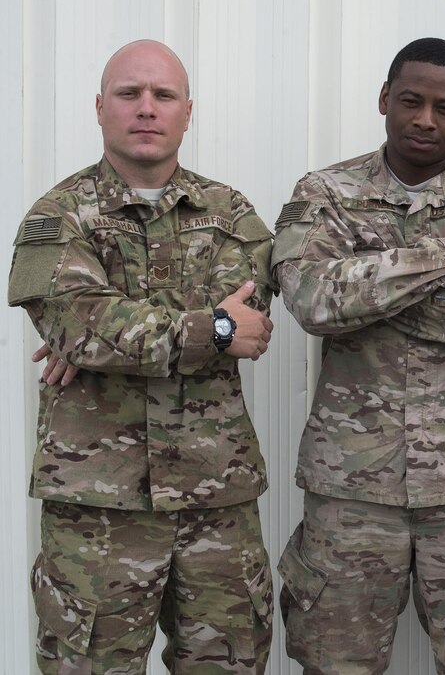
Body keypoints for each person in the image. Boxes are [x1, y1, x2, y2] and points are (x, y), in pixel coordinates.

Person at [272, 37, 445, 674]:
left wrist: (369, 284)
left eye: (444, 107)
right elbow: (314, 300)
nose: (426, 119)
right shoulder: (327, 191)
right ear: (384, 101)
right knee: (335, 660)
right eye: (411, 101)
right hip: (353, 483)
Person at [7, 40, 277, 673]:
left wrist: (111, 338)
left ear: (189, 112)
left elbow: (250, 321)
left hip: (217, 497)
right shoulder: (55, 215)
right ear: (101, 108)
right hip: (97, 506)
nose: (147, 108)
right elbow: (76, 323)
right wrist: (208, 328)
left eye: (164, 95)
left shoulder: (234, 214)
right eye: (130, 94)